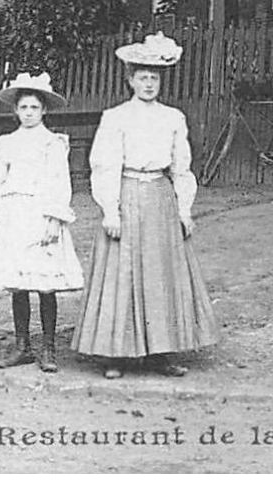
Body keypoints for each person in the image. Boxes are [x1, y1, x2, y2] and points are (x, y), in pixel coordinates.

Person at [74, 32, 220, 379]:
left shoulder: (173, 117)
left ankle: (161, 352)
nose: (149, 83)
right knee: (121, 273)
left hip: (159, 197)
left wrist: (184, 209)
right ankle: (116, 355)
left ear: (161, 81)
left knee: (160, 274)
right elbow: (104, 164)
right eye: (142, 77)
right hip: (127, 192)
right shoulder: (116, 116)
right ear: (130, 80)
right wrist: (110, 209)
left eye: (154, 78)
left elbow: (181, 167)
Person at [0, 71, 84, 373]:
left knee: (45, 284)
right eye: (23, 107)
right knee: (19, 283)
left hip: (41, 215)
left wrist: (54, 219)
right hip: (14, 216)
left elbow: (60, 183)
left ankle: (48, 347)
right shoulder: (8, 143)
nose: (28, 113)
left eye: (34, 108)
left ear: (44, 110)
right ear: (15, 110)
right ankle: (23, 344)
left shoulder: (53, 143)